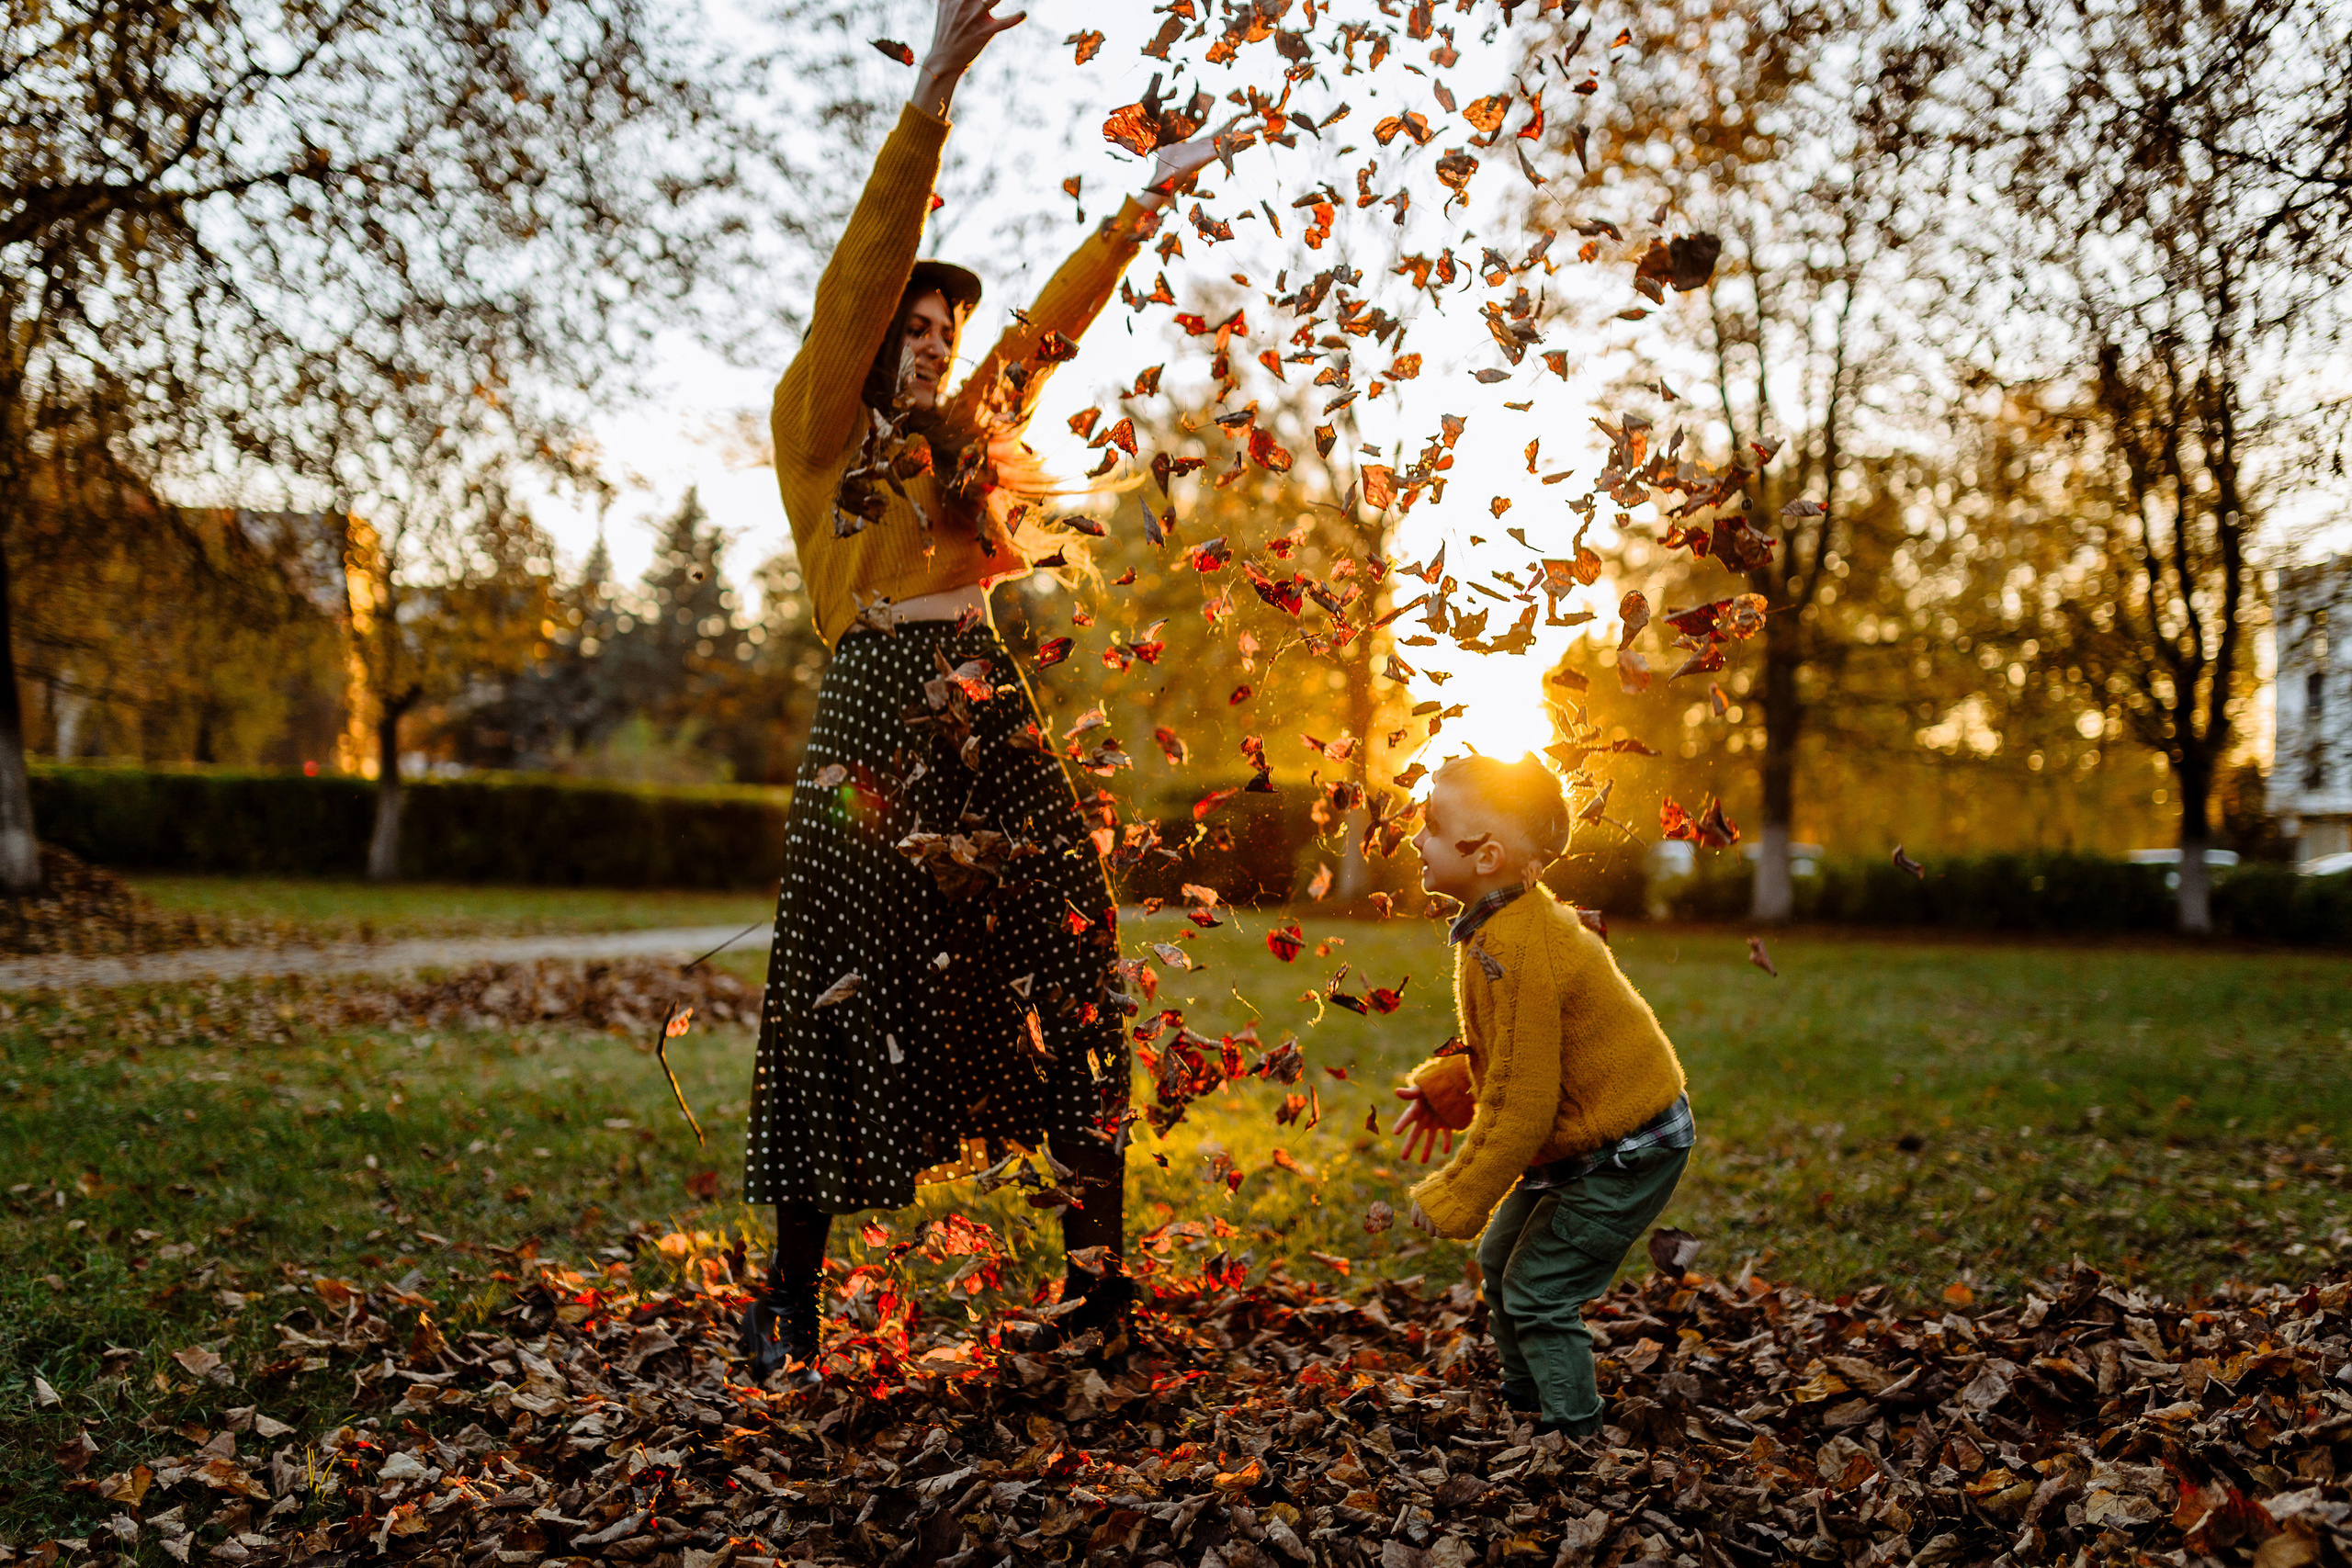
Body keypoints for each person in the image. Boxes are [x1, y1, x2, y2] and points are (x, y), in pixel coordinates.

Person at [738, 0, 1235, 1383]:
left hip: (985, 692)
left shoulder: (963, 444)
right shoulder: (819, 436)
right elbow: (856, 278)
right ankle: (786, 1294)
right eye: (917, 321)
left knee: (1072, 959)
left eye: (945, 330)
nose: (933, 340)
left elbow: (1045, 337)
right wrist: (932, 98)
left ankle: (1095, 1287)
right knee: (837, 989)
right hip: (873, 706)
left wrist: (1140, 210)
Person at [1389, 753, 1696, 1438]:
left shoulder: (1524, 948)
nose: (1417, 837)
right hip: (1586, 1136)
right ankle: (1526, 1406)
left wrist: (1459, 1190)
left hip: (1628, 1147)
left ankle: (1571, 1439)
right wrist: (1447, 1089)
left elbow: (1524, 1103)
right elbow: (1516, 1049)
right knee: (1501, 1262)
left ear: (1488, 854)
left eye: (1433, 825)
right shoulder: (1500, 928)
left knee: (1539, 1288)